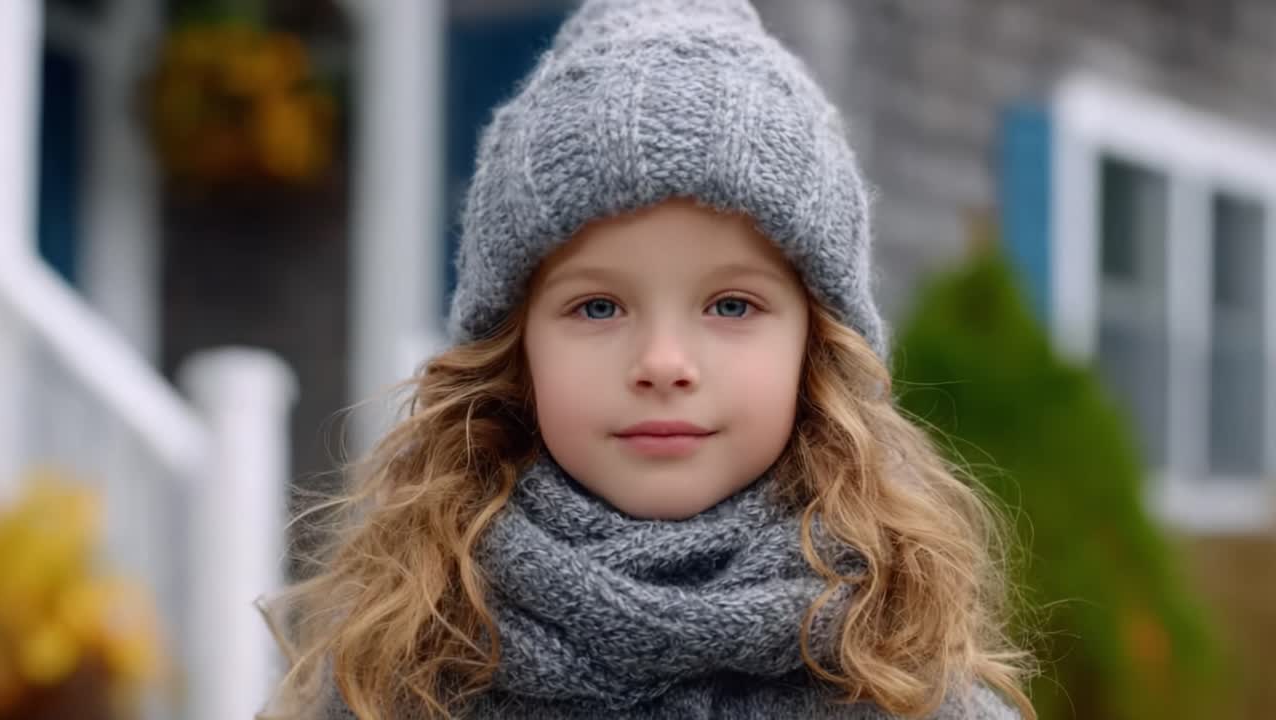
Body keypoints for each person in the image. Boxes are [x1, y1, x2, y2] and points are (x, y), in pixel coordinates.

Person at [260, 1, 1035, 718]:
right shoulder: (393, 677)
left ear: (816, 345)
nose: (664, 363)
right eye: (598, 307)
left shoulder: (905, 686)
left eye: (731, 305)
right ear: (516, 349)